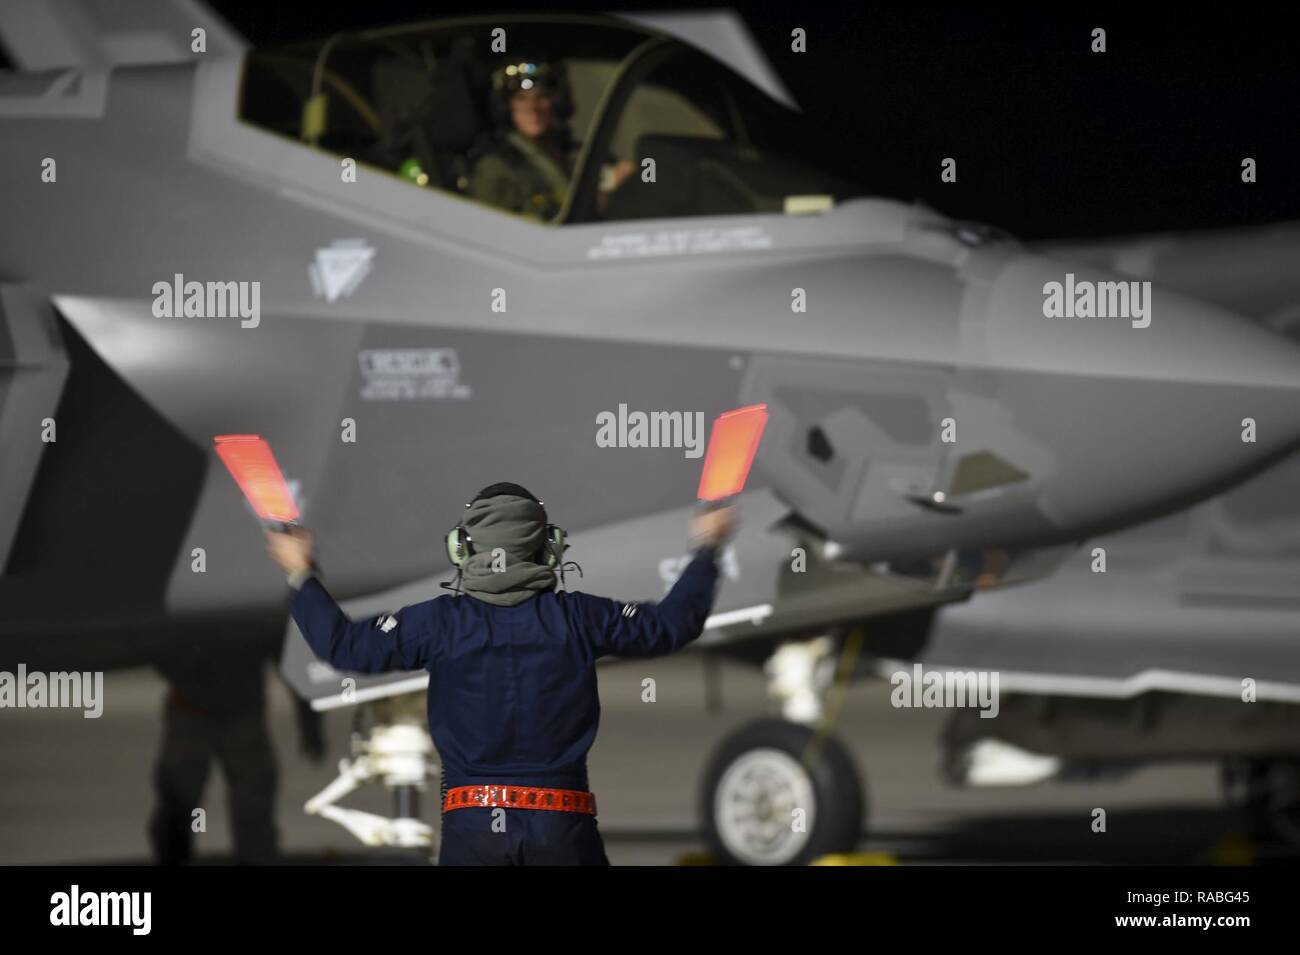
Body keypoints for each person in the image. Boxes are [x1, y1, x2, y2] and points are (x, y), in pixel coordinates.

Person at [265, 482, 734, 865]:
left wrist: (302, 575)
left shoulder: (438, 624)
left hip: (473, 828)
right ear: (549, 549)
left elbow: (343, 645)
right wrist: (707, 548)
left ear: (462, 548)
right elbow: (672, 624)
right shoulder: (579, 618)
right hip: (563, 824)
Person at [470, 60, 635, 219]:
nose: (533, 109)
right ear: (507, 107)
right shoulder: (494, 166)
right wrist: (595, 202)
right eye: (521, 98)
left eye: (541, 97)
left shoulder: (576, 152)